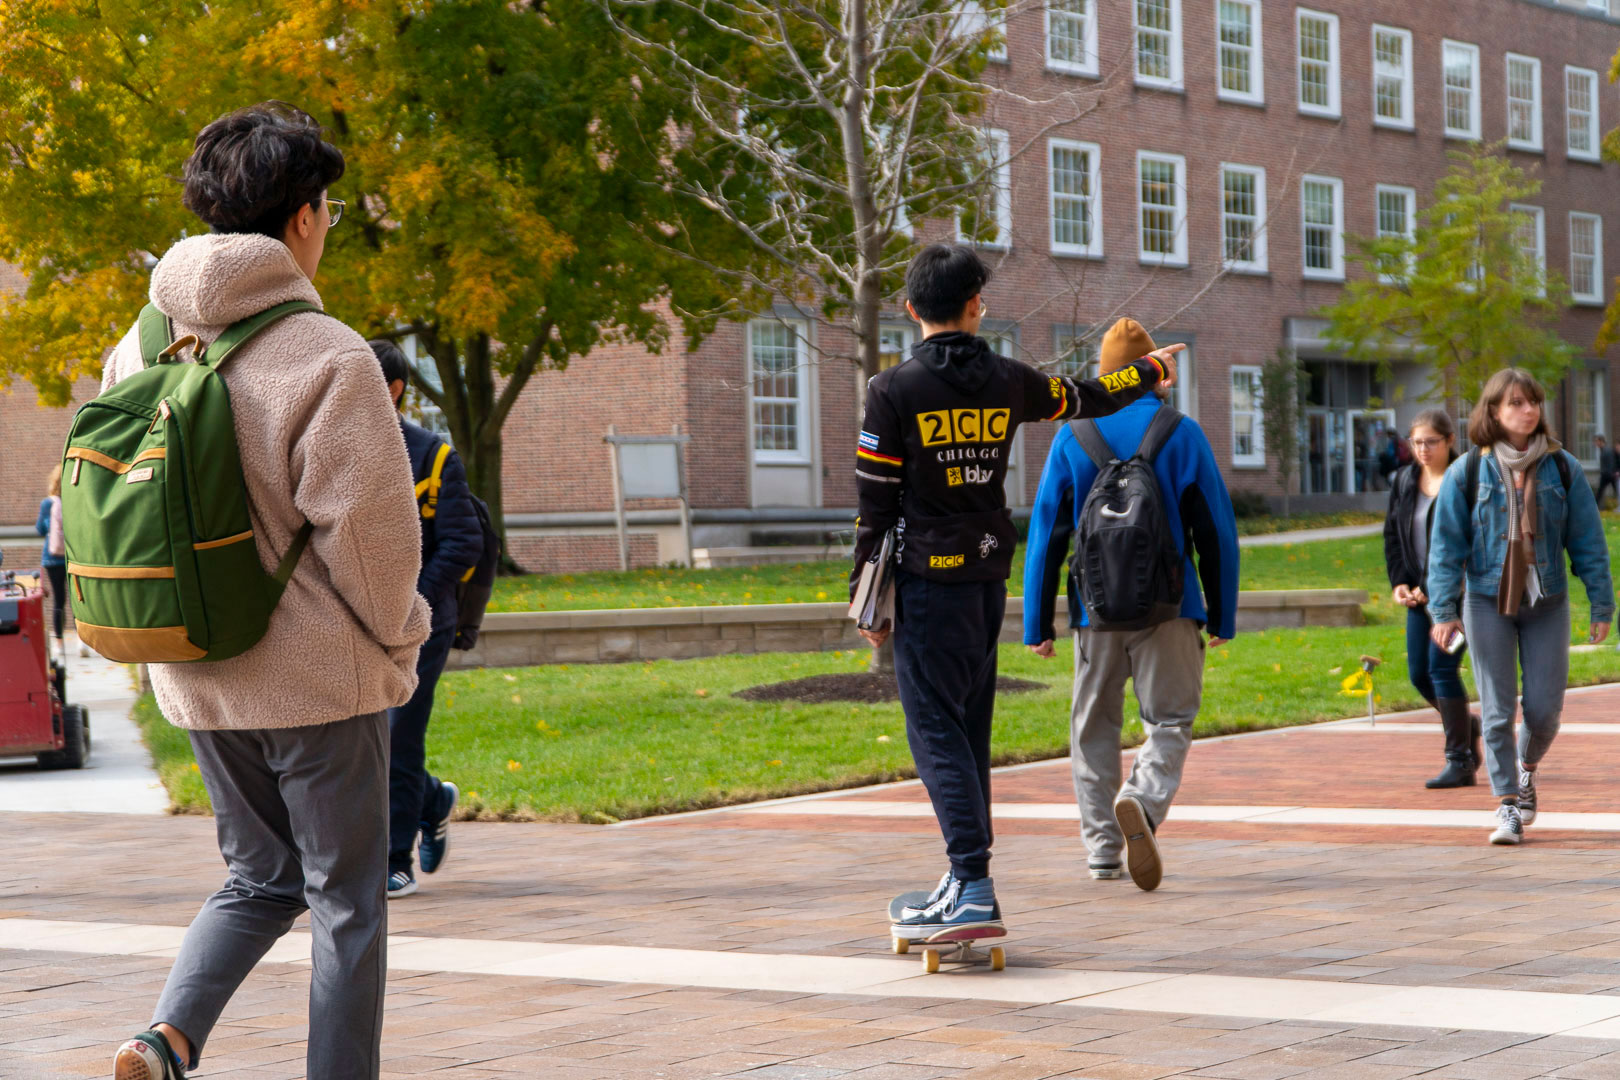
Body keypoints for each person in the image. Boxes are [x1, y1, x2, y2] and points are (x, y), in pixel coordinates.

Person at [108, 102, 430, 1080]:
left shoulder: (141, 343)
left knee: (257, 876)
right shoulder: (327, 354)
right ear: (300, 217)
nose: (327, 227)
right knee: (345, 899)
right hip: (317, 683)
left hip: (194, 666)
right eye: (327, 209)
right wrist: (402, 639)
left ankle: (164, 1037)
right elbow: (372, 549)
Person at [853, 243, 1181, 934]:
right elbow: (1086, 396)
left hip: (925, 582)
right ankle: (964, 875)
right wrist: (1149, 371)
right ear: (977, 306)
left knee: (934, 731)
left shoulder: (891, 392)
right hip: (983, 581)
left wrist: (866, 596)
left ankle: (970, 883)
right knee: (968, 729)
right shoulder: (1009, 380)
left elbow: (875, 507)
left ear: (912, 309)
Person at [1022, 318, 1239, 892]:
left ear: (1103, 376)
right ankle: (1141, 798)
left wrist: (1037, 623)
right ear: (1155, 376)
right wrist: (1222, 613)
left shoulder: (1074, 434)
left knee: (1093, 727)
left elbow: (1046, 533)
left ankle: (1101, 850)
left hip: (1094, 611)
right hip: (1171, 606)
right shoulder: (1182, 432)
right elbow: (1216, 529)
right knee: (1170, 719)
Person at [1428, 369, 1613, 846]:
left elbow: (1588, 541)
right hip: (1486, 598)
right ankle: (1507, 803)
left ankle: (1527, 770)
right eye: (1515, 403)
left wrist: (1601, 603)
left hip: (1546, 600)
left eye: (1532, 402)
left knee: (1545, 710)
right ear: (1493, 410)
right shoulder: (1466, 471)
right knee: (1496, 708)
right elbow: (1446, 547)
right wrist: (1444, 611)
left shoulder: (1563, 467)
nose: (1527, 411)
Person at [371, 340, 480, 900]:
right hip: (359, 626)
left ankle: (395, 861)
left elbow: (463, 542)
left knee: (398, 737)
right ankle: (432, 799)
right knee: (361, 742)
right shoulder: (344, 449)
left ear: (394, 390)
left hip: (421, 626)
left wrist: (413, 602)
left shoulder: (433, 456)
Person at [1384, 410, 1479, 789]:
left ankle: (1460, 760)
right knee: (1419, 675)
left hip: (1461, 599)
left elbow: (1467, 541)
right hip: (1420, 602)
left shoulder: (1465, 480)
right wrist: (1402, 582)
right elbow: (1393, 534)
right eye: (1417, 442)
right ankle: (1463, 725)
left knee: (1442, 668)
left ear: (1450, 441)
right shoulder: (1405, 480)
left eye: (1431, 442)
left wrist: (1434, 586)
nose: (1423, 449)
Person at [34, 465, 71, 659]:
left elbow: (40, 529)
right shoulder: (73, 501)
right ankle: (83, 641)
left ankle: (59, 643)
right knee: (77, 599)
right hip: (71, 556)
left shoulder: (48, 504)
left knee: (58, 600)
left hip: (52, 558)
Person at [1595, 434, 1618, 510]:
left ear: (1601, 441)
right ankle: (1596, 507)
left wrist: (1612, 473)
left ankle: (1595, 507)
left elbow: (1612, 462)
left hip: (1609, 475)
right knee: (1600, 492)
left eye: (1597, 441)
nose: (1596, 443)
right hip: (1607, 474)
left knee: (1616, 491)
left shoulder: (1607, 450)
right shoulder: (1603, 450)